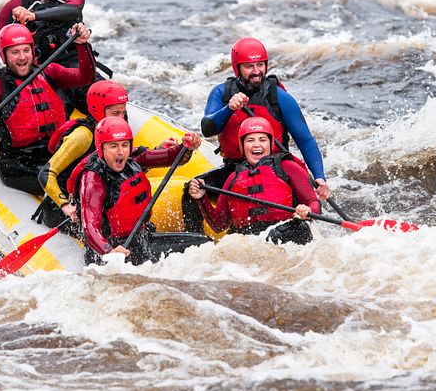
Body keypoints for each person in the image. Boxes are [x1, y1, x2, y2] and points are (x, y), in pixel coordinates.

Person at [183, 37, 330, 232]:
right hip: (235, 169)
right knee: (190, 190)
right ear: (237, 68)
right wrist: (229, 108)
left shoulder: (280, 97)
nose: (256, 71)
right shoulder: (222, 93)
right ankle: (198, 239)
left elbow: (305, 140)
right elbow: (208, 128)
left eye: (260, 65)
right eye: (249, 66)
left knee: (299, 206)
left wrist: (319, 176)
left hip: (277, 168)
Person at [0, 22, 94, 194]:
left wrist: (82, 45)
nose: (22, 57)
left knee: (93, 170)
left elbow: (85, 78)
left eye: (26, 50)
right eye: (15, 52)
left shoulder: (49, 72)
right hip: (17, 161)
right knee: (62, 180)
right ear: (4, 55)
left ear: (32, 51)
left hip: (53, 149)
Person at [68, 116, 202, 265]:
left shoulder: (132, 159)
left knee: (202, 245)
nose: (120, 152)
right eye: (113, 146)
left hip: (141, 238)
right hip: (112, 251)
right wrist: (109, 251)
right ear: (101, 148)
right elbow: (90, 226)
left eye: (125, 145)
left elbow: (169, 157)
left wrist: (187, 148)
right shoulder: (93, 179)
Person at [188, 117, 320, 245]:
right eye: (250, 140)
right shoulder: (233, 178)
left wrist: (307, 210)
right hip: (250, 240)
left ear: (270, 143)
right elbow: (219, 225)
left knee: (273, 237)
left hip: (288, 233)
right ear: (242, 145)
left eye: (262, 140)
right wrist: (202, 198)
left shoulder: (288, 167)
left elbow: (314, 203)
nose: (257, 144)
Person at [34, 80, 129, 228]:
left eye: (123, 112)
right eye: (116, 113)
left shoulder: (115, 130)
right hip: (61, 208)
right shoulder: (83, 136)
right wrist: (65, 205)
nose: (121, 118)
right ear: (98, 110)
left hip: (91, 199)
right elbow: (45, 174)